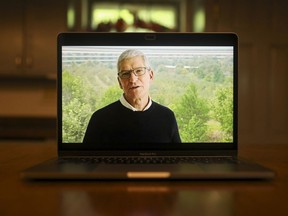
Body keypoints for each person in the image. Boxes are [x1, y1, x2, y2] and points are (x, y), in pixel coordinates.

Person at [83, 49, 181, 145]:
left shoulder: (167, 116)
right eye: (126, 74)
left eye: (139, 71)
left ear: (150, 75)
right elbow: (84, 160)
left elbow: (178, 158)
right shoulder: (100, 119)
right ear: (120, 82)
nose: (133, 79)